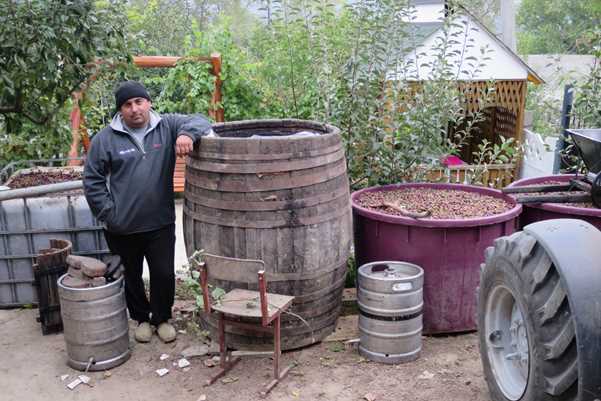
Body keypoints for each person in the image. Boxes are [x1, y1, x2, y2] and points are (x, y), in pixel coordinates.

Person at [83, 81, 213, 343]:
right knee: (131, 276)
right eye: (127, 105)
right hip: (122, 227)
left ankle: (162, 318)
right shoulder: (104, 139)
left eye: (139, 102)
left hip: (160, 222)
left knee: (163, 274)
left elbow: (202, 120)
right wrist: (110, 214)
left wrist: (187, 134)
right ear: (120, 110)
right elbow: (92, 181)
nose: (134, 109)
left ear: (148, 102)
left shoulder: (167, 126)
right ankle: (142, 319)